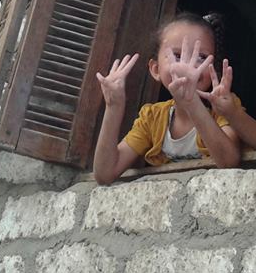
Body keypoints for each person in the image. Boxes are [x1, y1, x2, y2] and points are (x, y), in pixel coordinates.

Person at [92, 13, 241, 185]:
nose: (187, 65)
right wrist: (113, 107)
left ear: (214, 69)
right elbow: (104, 174)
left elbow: (229, 162)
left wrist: (191, 102)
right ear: (156, 69)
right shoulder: (152, 118)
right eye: (177, 55)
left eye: (200, 57)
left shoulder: (223, 107)